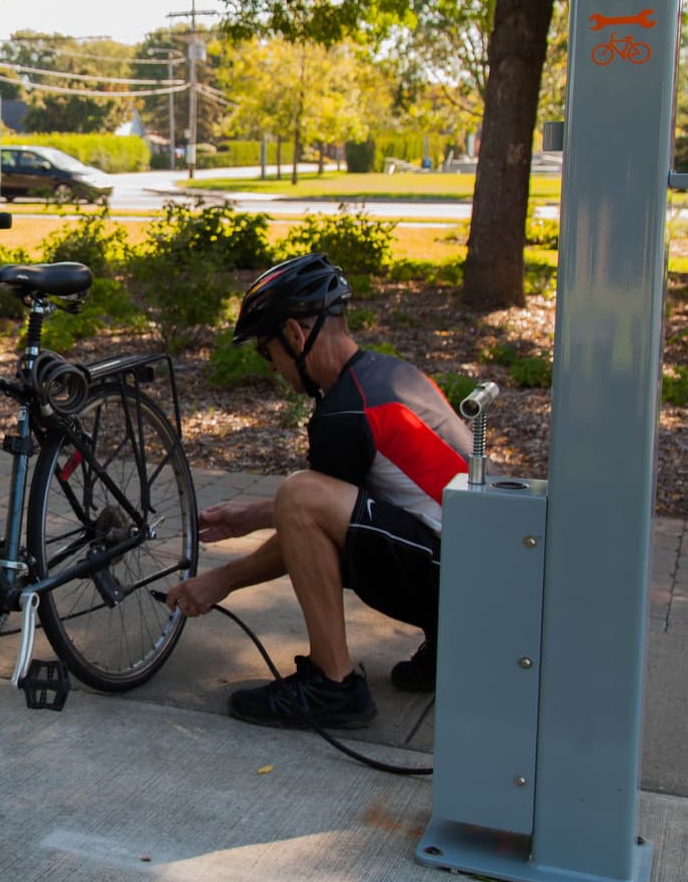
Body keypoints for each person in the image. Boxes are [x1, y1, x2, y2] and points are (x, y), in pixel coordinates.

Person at [164, 253, 472, 730]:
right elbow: (357, 505)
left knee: (300, 493)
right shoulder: (384, 376)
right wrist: (255, 516)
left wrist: (219, 582)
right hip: (484, 584)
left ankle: (333, 685)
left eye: (268, 352)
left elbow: (308, 523)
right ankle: (450, 643)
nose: (271, 369)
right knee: (301, 501)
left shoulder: (343, 416)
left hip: (457, 584)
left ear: (294, 335)